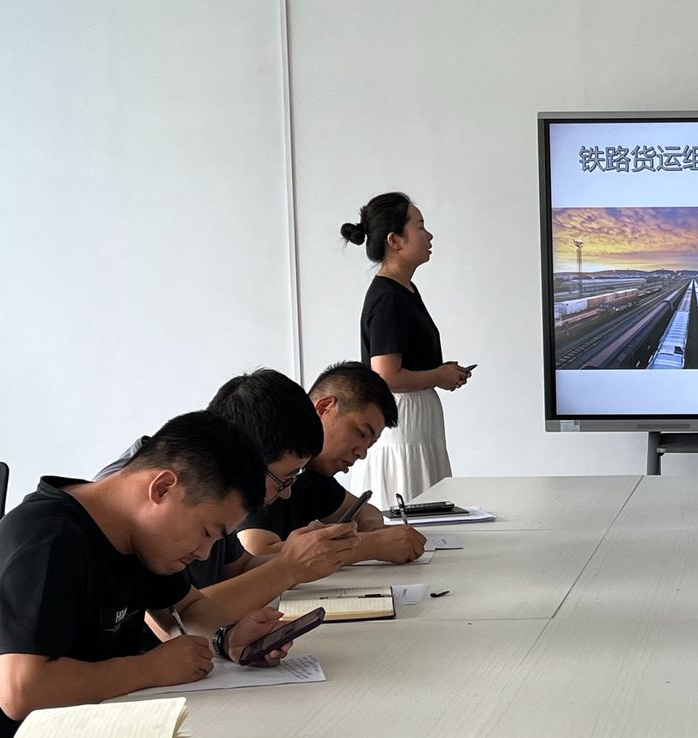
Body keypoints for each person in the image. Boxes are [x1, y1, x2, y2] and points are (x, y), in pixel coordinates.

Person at [0, 413, 296, 738]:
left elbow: (186, 608)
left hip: (94, 735)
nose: (203, 553)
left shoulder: (139, 536)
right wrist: (150, 668)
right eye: (207, 533)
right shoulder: (45, 540)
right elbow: (22, 691)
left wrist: (228, 637)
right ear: (162, 488)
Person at [96, 369, 361, 622]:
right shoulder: (147, 503)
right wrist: (288, 568)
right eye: (284, 479)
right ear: (246, 453)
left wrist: (304, 555)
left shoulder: (212, 490)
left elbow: (237, 568)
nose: (286, 493)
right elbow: (182, 617)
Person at [341, 192, 471, 505]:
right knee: (411, 503)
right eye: (420, 227)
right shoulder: (389, 298)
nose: (429, 236)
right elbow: (386, 376)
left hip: (415, 420)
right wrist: (438, 376)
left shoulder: (404, 290)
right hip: (404, 421)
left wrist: (440, 372)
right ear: (395, 241)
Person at [237, 362, 427, 564]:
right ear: (324, 407)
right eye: (361, 433)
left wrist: (374, 530)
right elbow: (256, 554)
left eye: (370, 444)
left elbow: (365, 510)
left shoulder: (313, 474)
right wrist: (372, 545)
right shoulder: (268, 465)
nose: (362, 453)